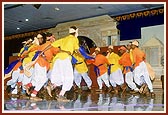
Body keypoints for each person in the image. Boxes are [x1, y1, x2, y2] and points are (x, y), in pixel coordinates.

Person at [48, 26, 81, 102]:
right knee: (69, 77)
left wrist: (42, 51)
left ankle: (52, 86)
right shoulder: (74, 39)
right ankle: (61, 95)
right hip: (65, 59)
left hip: (57, 59)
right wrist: (85, 56)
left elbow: (51, 45)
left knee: (60, 77)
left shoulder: (63, 39)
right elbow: (77, 50)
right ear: (76, 32)